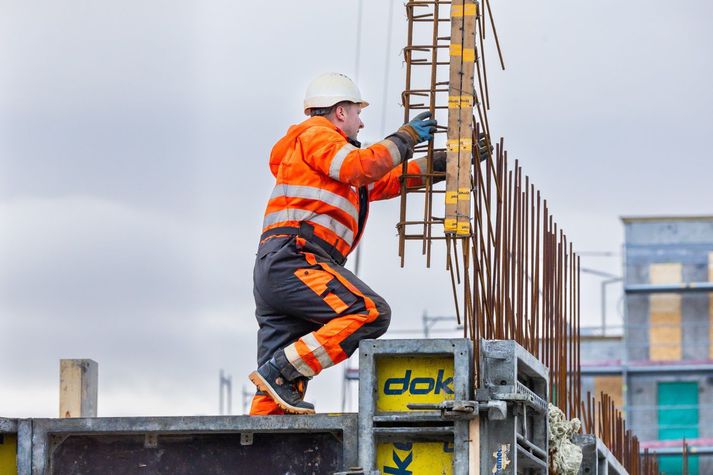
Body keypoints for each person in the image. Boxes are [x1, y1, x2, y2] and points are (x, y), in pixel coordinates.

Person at [247, 72, 439, 414]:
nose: (361, 123)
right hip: (297, 259)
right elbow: (361, 167)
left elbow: (381, 181)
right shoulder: (316, 135)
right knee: (368, 312)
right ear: (339, 112)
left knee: (277, 392)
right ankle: (282, 373)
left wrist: (437, 167)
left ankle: (258, 446)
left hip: (279, 268)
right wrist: (404, 138)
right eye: (357, 112)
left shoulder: (327, 163)